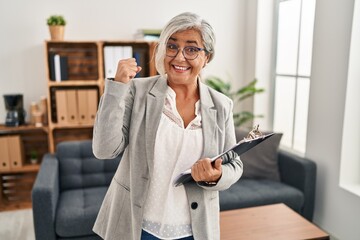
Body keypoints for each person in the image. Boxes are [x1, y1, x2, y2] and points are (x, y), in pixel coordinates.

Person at [92, 12, 243, 240]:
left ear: (207, 57)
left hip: (194, 229)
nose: (179, 57)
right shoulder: (137, 91)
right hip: (137, 226)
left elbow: (235, 164)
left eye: (191, 49)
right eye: (172, 46)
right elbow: (104, 150)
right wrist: (117, 88)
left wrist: (217, 174)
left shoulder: (221, 105)